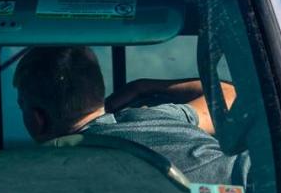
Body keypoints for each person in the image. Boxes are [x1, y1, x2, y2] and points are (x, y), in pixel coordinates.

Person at [13, 46, 248, 185]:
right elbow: (228, 96)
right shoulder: (156, 118)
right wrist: (141, 87)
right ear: (97, 93)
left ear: (37, 119)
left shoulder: (34, 180)